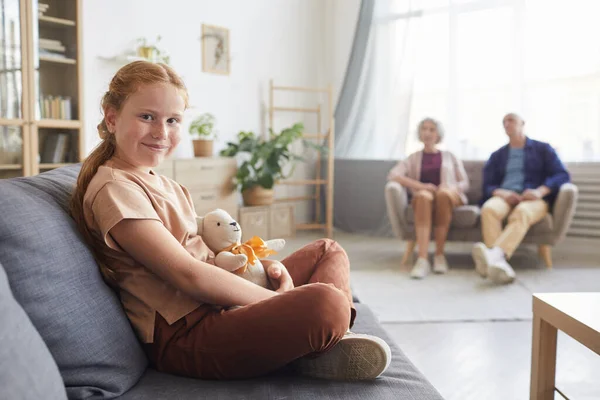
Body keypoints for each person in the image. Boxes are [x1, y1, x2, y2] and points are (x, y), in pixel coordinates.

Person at [69, 61, 391, 381]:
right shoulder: (115, 188)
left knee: (327, 249)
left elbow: (207, 250)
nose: (161, 132)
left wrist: (264, 273)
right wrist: (279, 300)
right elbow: (189, 274)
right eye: (147, 117)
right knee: (327, 303)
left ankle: (315, 345)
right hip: (189, 333)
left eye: (173, 120)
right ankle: (320, 341)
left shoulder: (162, 182)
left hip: (221, 305)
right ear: (112, 118)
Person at [471, 113, 570, 284]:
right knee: (489, 209)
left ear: (522, 123)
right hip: (505, 196)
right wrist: (503, 193)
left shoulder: (543, 149)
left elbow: (562, 175)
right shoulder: (497, 155)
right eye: (504, 122)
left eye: (511, 120)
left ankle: (494, 256)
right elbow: (488, 185)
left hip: (533, 199)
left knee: (522, 212)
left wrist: (540, 191)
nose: (507, 124)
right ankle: (498, 263)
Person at [387, 118, 469, 278]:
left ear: (438, 134)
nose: (427, 133)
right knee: (423, 197)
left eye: (432, 129)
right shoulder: (414, 157)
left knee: (443, 195)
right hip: (426, 196)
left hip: (447, 195)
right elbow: (393, 174)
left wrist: (450, 188)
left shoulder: (449, 156)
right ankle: (422, 259)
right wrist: (421, 186)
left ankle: (439, 255)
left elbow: (464, 182)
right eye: (424, 129)